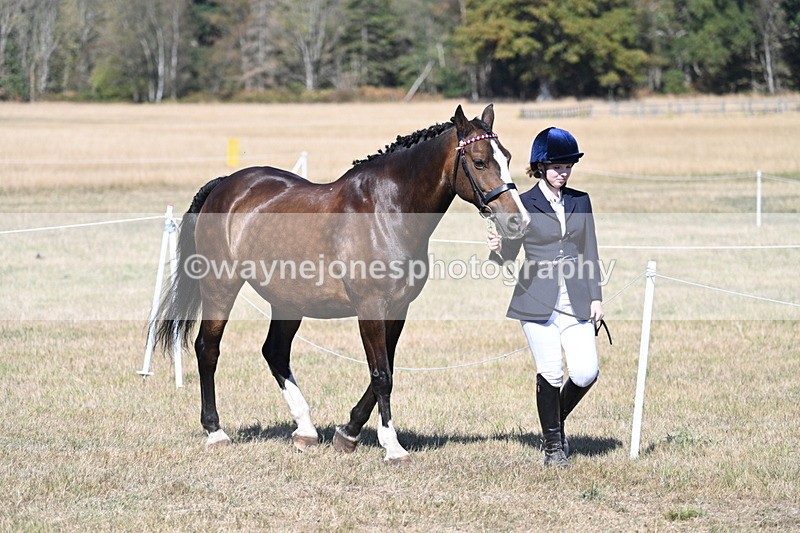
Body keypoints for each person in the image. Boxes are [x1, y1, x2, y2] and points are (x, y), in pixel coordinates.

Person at [487, 126, 604, 468]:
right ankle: (554, 447)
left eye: (568, 165)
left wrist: (596, 297)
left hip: (577, 299)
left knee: (586, 372)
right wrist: (497, 249)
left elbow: (590, 251)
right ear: (539, 167)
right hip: (536, 299)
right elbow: (508, 256)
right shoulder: (522, 203)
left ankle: (553, 424)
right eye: (556, 166)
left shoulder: (581, 200)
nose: (563, 172)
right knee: (551, 372)